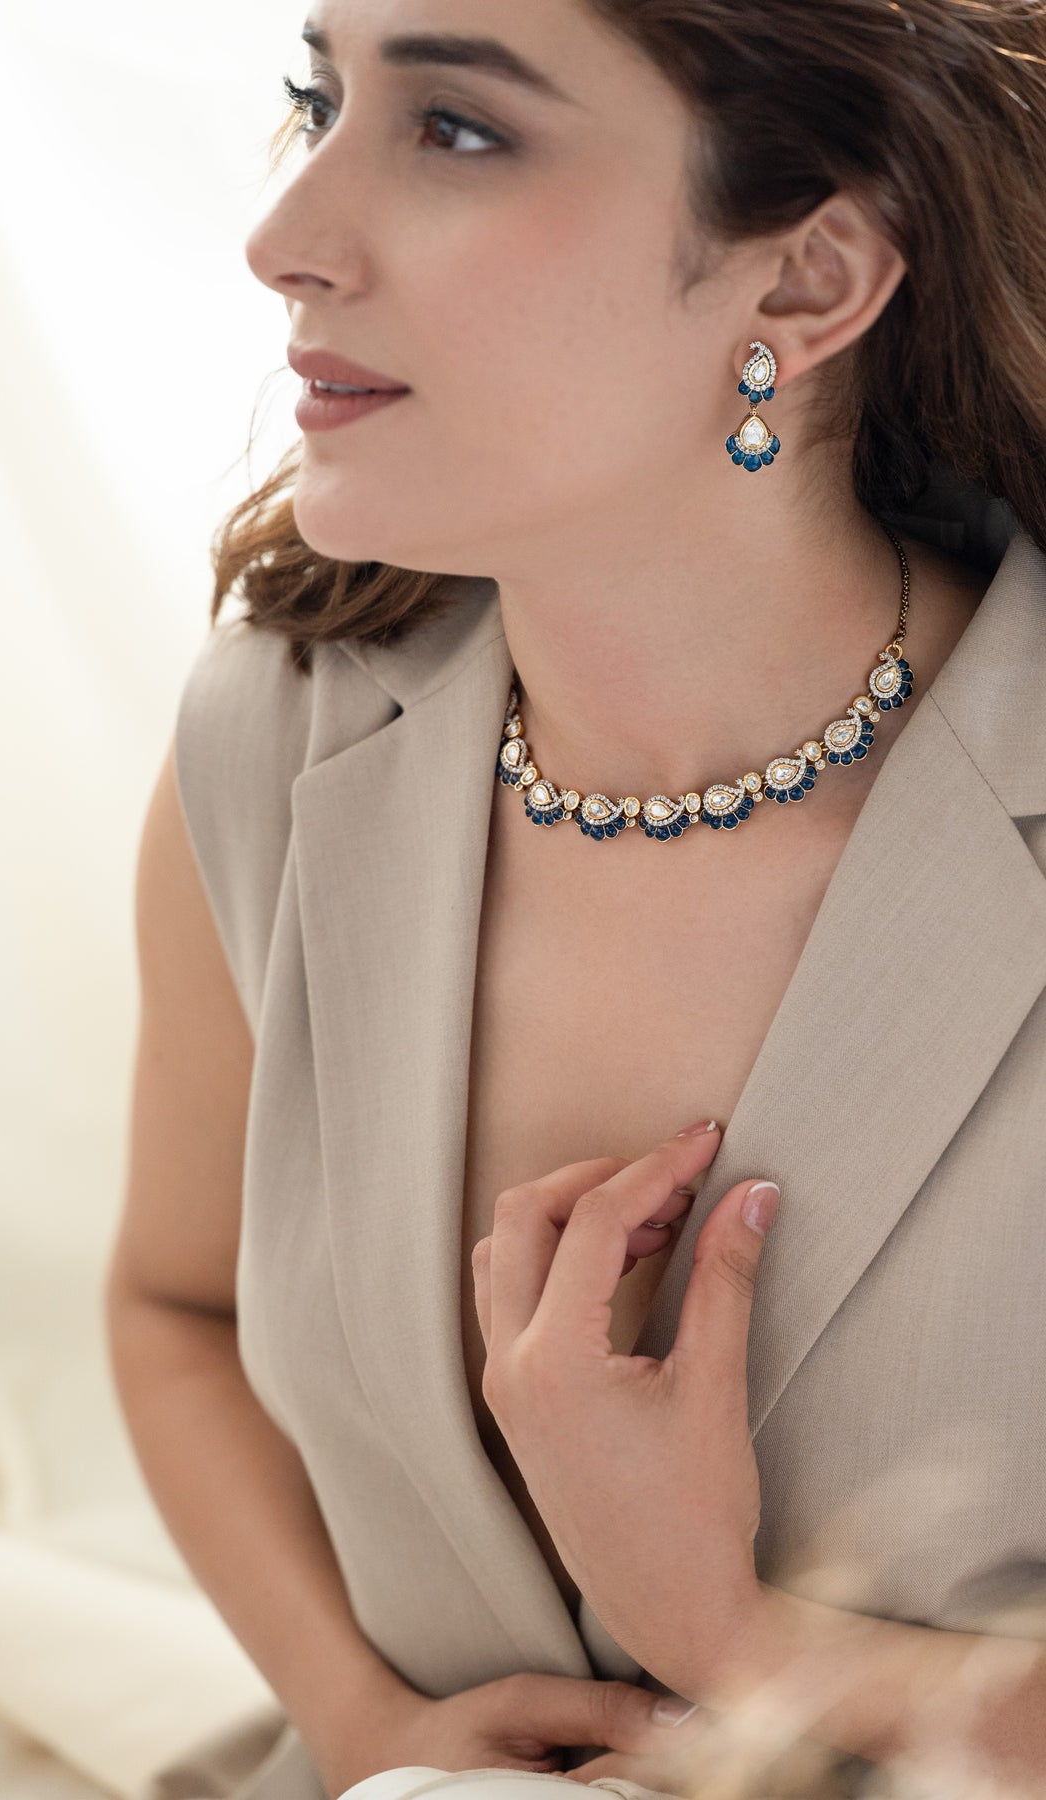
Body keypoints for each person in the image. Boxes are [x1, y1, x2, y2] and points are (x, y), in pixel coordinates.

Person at [105, 3, 1046, 1797]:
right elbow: (177, 1314)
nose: (283, 234)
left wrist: (744, 1646)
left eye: (456, 127)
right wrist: (365, 1724)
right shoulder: (274, 742)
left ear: (809, 277)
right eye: (320, 95)